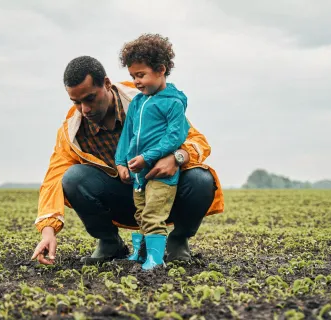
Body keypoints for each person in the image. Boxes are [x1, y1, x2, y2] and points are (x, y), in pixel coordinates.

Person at [30, 54, 224, 265]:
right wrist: (48, 231)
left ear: (106, 84)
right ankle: (109, 242)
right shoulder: (72, 131)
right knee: (73, 177)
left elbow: (197, 141)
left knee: (201, 179)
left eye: (90, 98)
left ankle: (178, 241)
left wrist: (177, 157)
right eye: (76, 102)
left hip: (163, 193)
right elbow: (53, 177)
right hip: (124, 196)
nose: (84, 110)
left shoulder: (146, 100)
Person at [115, 34, 190, 270]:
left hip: (161, 174)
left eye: (141, 75)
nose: (136, 81)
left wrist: (147, 157)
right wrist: (121, 162)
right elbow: (127, 134)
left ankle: (155, 261)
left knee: (153, 215)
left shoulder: (173, 102)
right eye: (132, 76)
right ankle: (141, 253)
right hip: (138, 175)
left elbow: (175, 136)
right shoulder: (137, 102)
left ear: (160, 70)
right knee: (140, 214)